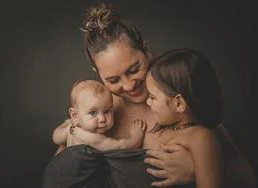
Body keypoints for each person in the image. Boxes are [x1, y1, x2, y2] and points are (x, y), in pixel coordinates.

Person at [50, 2, 256, 187]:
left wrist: (197, 169)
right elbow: (63, 172)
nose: (129, 85)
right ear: (98, 73)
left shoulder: (178, 100)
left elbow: (248, 178)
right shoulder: (100, 111)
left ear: (146, 51)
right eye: (113, 80)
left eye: (134, 69)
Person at [146, 48, 225, 188]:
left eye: (152, 97)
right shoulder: (166, 127)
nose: (147, 102)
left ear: (179, 103)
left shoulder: (202, 138)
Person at [53, 79, 146, 151]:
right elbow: (119, 146)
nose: (102, 119)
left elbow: (56, 138)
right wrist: (135, 139)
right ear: (75, 115)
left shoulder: (72, 129)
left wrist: (67, 124)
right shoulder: (93, 138)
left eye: (107, 111)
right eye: (93, 113)